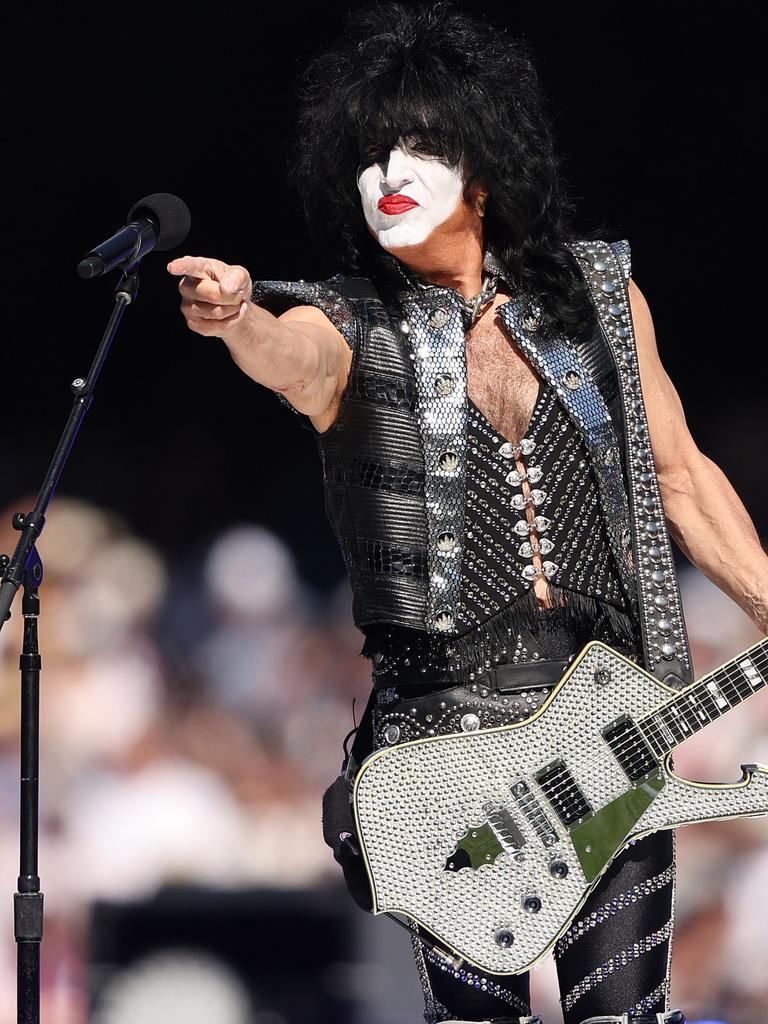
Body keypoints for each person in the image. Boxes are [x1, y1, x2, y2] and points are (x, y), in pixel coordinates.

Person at [168, 5, 768, 1023]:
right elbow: (293, 359)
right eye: (367, 155)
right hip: (443, 760)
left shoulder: (600, 296)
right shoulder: (345, 317)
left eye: (417, 145)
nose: (385, 170)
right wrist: (239, 321)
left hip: (607, 723)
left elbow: (681, 475)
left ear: (482, 170)